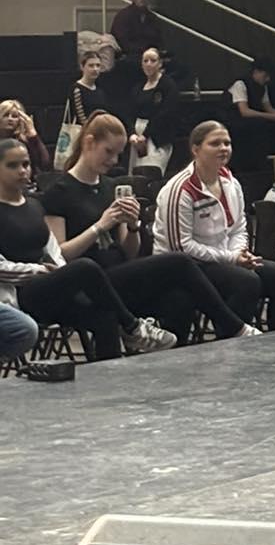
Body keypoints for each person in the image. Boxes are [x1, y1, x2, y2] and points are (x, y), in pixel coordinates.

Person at [41, 114, 258, 342]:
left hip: (119, 271)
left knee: (179, 299)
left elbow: (129, 251)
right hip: (89, 280)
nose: (114, 160)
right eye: (108, 152)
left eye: (118, 154)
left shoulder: (110, 186)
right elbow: (60, 254)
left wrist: (132, 226)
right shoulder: (59, 192)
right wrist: (100, 226)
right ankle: (233, 326)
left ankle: (182, 356)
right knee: (179, 261)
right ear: (89, 143)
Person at [0, 135, 176, 358]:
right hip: (18, 294)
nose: (22, 171)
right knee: (85, 266)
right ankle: (132, 327)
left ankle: (110, 374)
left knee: (104, 314)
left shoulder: (34, 204)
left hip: (49, 284)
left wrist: (59, 271)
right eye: (12, 165)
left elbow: (51, 248)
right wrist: (41, 271)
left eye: (25, 164)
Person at [154, 122, 275, 331]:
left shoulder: (231, 182)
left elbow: (238, 227)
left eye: (227, 143)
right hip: (186, 267)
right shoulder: (180, 189)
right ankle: (231, 343)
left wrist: (239, 253)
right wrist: (232, 259)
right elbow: (181, 247)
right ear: (195, 149)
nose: (223, 148)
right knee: (246, 282)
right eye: (215, 144)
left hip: (224, 259)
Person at [128, 45, 181, 172]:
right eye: (145, 61)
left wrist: (146, 134)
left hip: (157, 135)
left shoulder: (168, 85)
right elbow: (130, 112)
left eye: (153, 61)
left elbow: (166, 112)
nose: (148, 64)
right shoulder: (138, 87)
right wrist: (132, 133)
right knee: (136, 171)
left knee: (152, 170)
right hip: (138, 135)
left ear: (160, 64)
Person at [55, 48, 106, 168]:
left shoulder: (100, 91)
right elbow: (80, 115)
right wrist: (93, 130)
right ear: (82, 67)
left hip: (99, 134)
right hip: (82, 134)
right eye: (91, 65)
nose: (95, 69)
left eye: (98, 65)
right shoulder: (77, 89)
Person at [0, 99, 51, 183]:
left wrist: (33, 135)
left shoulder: (24, 141)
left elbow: (44, 163)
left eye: (14, 116)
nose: (10, 119)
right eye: (6, 115)